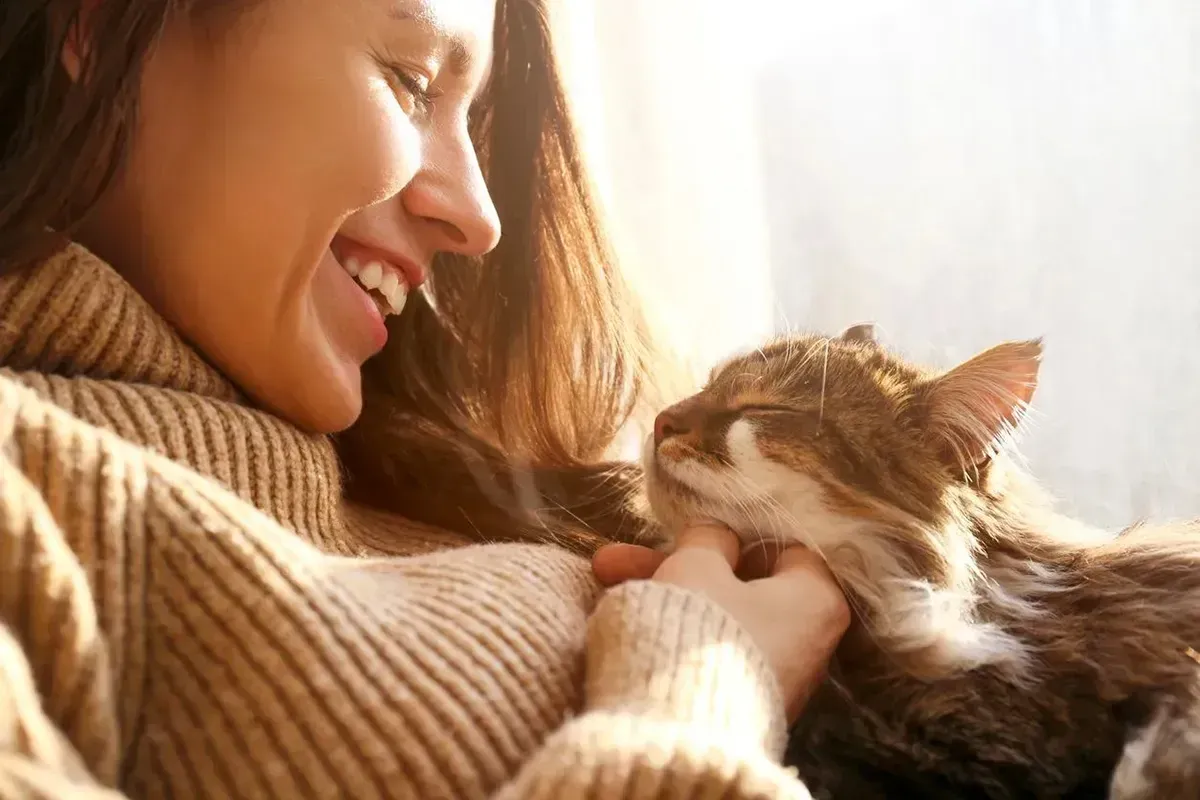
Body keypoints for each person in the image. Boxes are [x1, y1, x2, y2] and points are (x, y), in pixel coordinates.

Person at [0, 0, 850, 797]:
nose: (481, 221)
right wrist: (703, 689)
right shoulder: (32, 496)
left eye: (474, 122)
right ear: (105, 22)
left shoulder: (453, 476)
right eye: (411, 84)